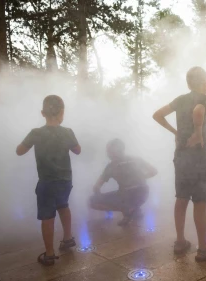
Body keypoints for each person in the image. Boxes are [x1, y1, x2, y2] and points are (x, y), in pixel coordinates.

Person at [152, 66, 206, 262]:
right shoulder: (203, 98)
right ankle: (203, 250)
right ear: (204, 83)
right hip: (198, 157)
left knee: (182, 197)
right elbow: (198, 111)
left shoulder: (180, 99)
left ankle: (180, 242)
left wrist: (176, 132)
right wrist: (198, 132)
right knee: (200, 202)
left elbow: (157, 114)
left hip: (181, 155)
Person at [16, 95, 81, 266]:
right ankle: (67, 239)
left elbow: (19, 151)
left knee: (47, 217)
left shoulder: (36, 133)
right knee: (63, 206)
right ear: (62, 113)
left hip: (47, 183)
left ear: (42, 113)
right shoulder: (67, 132)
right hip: (65, 181)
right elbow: (78, 150)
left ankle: (50, 254)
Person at [90, 139, 157, 226]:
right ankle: (135, 210)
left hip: (125, 197)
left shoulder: (111, 166)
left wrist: (98, 194)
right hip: (143, 195)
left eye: (108, 151)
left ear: (114, 151)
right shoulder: (136, 159)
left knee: (92, 201)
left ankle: (128, 211)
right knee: (129, 197)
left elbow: (96, 187)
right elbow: (154, 171)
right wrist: (141, 177)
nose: (107, 153)